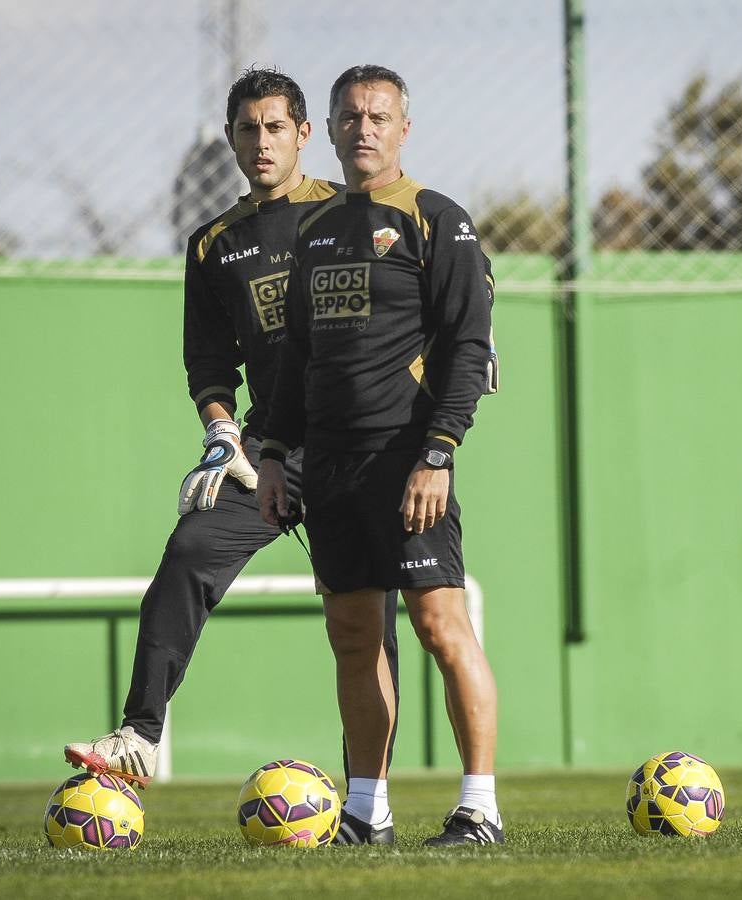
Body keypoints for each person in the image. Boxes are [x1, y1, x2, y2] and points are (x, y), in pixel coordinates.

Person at [63, 67, 400, 792]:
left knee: (369, 622)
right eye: (248, 129)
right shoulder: (213, 243)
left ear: (305, 134)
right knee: (189, 552)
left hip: (358, 448)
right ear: (230, 140)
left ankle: (369, 801)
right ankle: (139, 737)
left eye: (276, 127)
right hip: (267, 454)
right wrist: (223, 433)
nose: (262, 142)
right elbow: (209, 361)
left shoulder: (355, 212)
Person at [256, 64, 502, 847]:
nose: (364, 128)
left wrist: (440, 450)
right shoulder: (314, 231)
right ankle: (368, 813)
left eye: (379, 116)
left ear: (403, 129)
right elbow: (295, 358)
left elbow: (468, 346)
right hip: (329, 467)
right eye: (350, 117)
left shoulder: (439, 219)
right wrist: (270, 453)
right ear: (326, 131)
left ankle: (480, 808)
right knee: (355, 637)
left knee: (439, 625)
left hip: (409, 462)